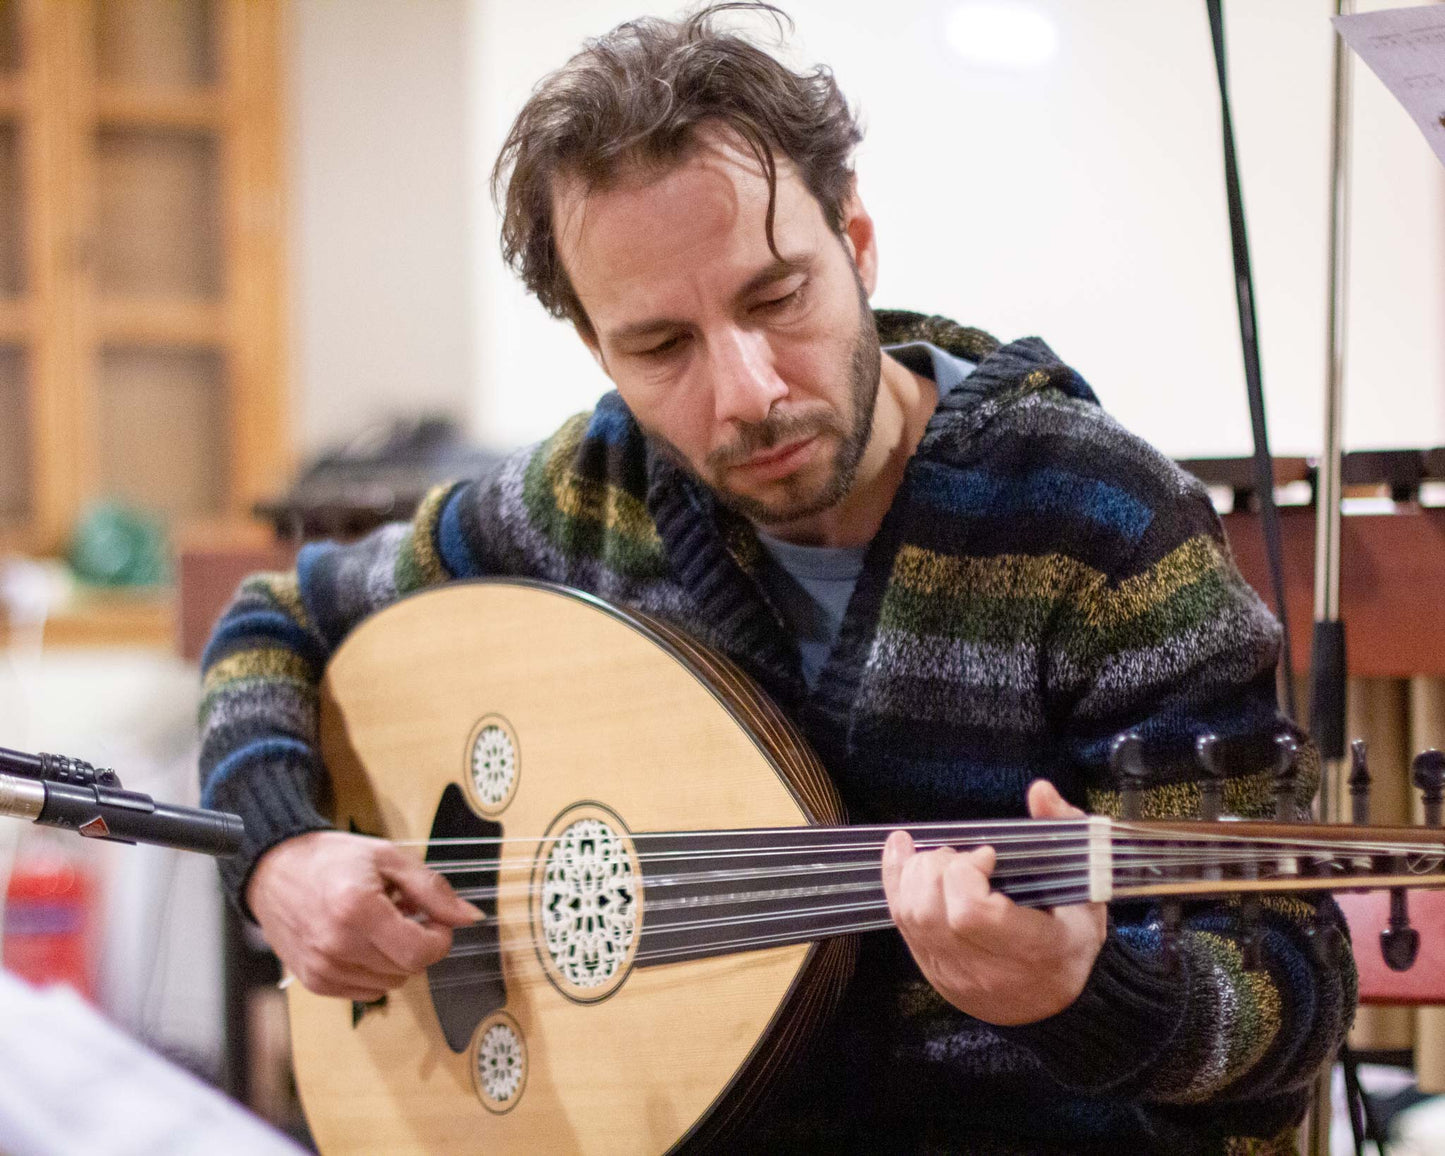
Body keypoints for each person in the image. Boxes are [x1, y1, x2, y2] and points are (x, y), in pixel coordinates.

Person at [199, 5, 1353, 1152]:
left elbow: (1289, 986)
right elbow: (279, 619)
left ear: (854, 241)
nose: (746, 390)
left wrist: (1084, 995)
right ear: (597, 349)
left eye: (775, 297)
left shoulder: (1091, 521)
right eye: (661, 346)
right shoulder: (592, 491)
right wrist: (281, 853)